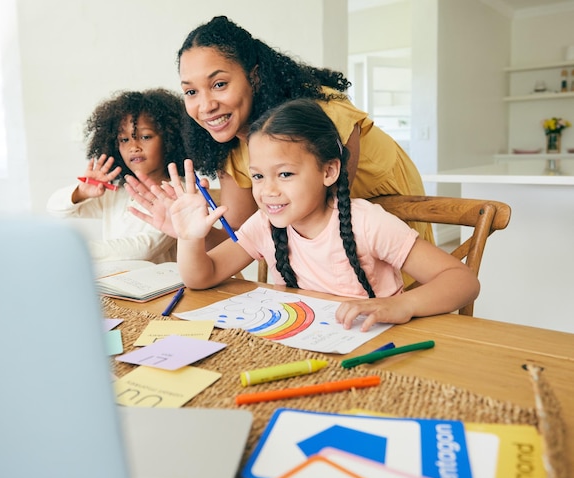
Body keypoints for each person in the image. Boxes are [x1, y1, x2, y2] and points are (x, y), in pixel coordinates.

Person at [135, 99, 478, 332]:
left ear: (329, 171)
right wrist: (189, 237)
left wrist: (403, 306)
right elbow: (202, 276)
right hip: (304, 345)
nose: (268, 190)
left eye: (285, 174)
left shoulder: (366, 222)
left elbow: (462, 281)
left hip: (379, 347)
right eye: (258, 176)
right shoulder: (265, 225)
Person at [125, 15, 433, 253]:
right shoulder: (229, 147)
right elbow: (235, 238)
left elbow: (326, 218)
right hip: (327, 266)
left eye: (219, 84)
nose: (205, 105)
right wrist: (188, 231)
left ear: (254, 76)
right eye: (191, 91)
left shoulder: (321, 115)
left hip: (388, 230)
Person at [47, 89, 186, 264]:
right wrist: (81, 192)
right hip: (119, 285)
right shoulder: (116, 192)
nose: (134, 147)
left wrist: (80, 249)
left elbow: (146, 248)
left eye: (145, 136)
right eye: (124, 140)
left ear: (170, 139)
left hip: (163, 288)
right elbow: (55, 208)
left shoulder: (179, 193)